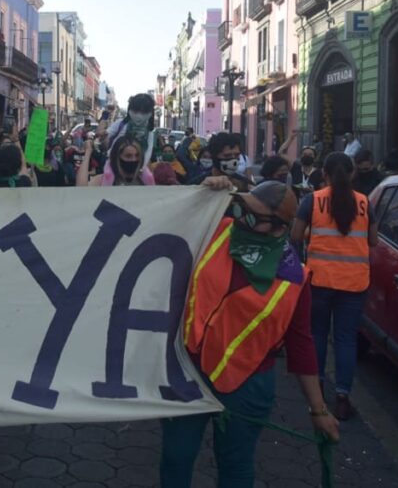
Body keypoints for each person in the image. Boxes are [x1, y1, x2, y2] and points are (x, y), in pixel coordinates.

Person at [162, 181, 339, 487]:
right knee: (176, 457)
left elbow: (301, 345)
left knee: (235, 466)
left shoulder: (294, 278)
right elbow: (172, 220)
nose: (241, 218)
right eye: (241, 209)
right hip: (188, 370)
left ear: (279, 228)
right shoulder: (217, 232)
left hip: (247, 385)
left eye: (253, 216)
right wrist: (205, 189)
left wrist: (318, 409)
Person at [291, 153, 378, 422]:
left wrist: (313, 236)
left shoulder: (312, 201)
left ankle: (316, 390)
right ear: (352, 174)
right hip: (354, 282)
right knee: (346, 339)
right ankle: (342, 397)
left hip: (319, 280)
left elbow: (295, 236)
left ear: (324, 174)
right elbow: (373, 241)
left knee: (316, 334)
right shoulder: (364, 203)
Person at [105, 93, 156, 170]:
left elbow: (148, 151)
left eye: (143, 112)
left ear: (150, 113)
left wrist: (141, 169)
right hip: (114, 165)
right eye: (136, 111)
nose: (139, 115)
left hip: (135, 166)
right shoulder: (121, 124)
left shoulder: (149, 131)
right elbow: (107, 134)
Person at [78, 136, 154, 187]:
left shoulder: (144, 181)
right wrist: (88, 152)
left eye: (137, 155)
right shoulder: (102, 180)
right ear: (117, 157)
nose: (134, 159)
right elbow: (81, 191)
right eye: (128, 156)